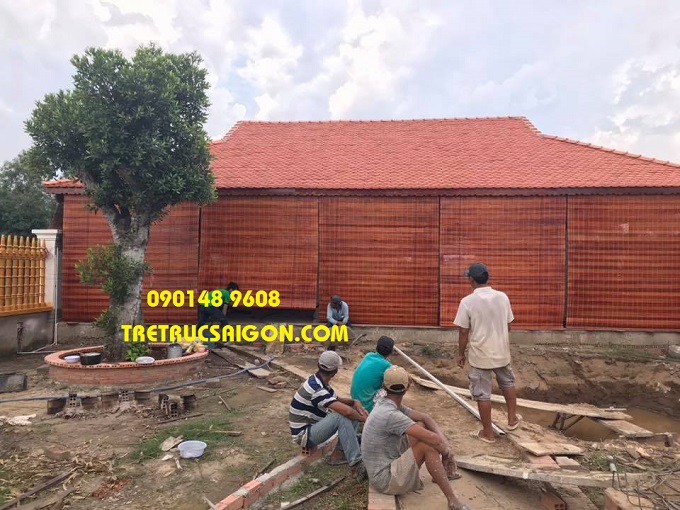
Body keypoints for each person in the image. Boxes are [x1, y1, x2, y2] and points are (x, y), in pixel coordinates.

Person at [361, 366, 471, 510]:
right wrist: (447, 454)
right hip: (384, 480)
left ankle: (439, 473)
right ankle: (453, 501)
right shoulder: (390, 414)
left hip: (383, 465)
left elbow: (425, 418)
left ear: (384, 386)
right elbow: (433, 439)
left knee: (420, 425)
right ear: (407, 388)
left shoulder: (386, 403)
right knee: (428, 446)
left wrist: (447, 450)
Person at [454, 262, 521, 444]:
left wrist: (460, 354)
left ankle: (488, 433)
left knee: (482, 394)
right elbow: (509, 325)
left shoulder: (467, 302)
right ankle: (512, 419)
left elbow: (463, 331)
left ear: (471, 279)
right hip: (501, 351)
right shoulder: (502, 297)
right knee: (507, 383)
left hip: (480, 355)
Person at [288, 351, 369, 482]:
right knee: (341, 416)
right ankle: (356, 465)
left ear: (319, 365)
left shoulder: (318, 382)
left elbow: (339, 400)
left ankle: (339, 454)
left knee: (351, 410)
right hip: (304, 436)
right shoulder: (316, 388)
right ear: (335, 371)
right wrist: (366, 419)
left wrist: (355, 402)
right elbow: (346, 412)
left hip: (311, 429)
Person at [350, 336, 394, 413]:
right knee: (393, 389)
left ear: (376, 347)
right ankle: (385, 413)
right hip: (366, 405)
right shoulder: (387, 365)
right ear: (391, 351)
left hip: (355, 398)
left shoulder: (369, 355)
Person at [198, 282, 239, 347]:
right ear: (231, 290)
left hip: (202, 305)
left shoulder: (220, 291)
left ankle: (196, 338)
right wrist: (223, 318)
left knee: (201, 322)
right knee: (224, 321)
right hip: (210, 306)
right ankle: (229, 340)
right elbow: (224, 308)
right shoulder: (227, 294)